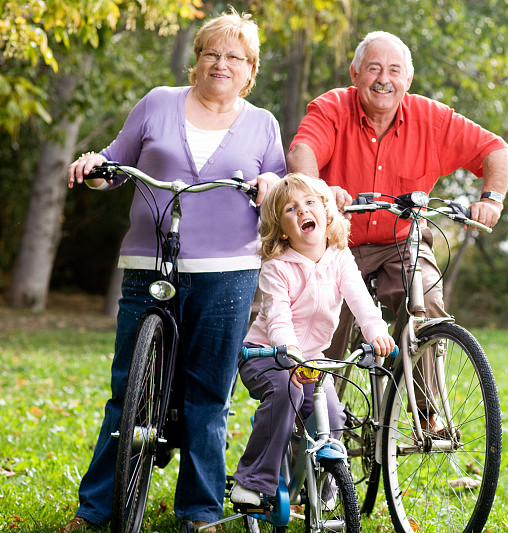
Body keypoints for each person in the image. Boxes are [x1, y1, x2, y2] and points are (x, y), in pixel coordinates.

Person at [60, 9, 285, 533]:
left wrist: (272, 186)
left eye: (234, 56)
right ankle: (95, 510)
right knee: (127, 391)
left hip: (227, 272)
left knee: (208, 397)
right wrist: (93, 167)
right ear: (197, 60)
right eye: (212, 52)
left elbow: (277, 182)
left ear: (250, 70)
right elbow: (112, 165)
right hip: (148, 262)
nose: (220, 63)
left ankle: (200, 513)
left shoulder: (263, 123)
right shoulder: (157, 104)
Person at [285, 31, 508, 432]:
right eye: (373, 68)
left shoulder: (433, 119)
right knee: (320, 340)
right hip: (337, 242)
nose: (383, 78)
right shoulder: (332, 108)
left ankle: (427, 413)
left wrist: (490, 200)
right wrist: (317, 190)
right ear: (355, 73)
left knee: (423, 303)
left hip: (401, 242)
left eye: (394, 70)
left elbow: (495, 149)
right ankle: (311, 438)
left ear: (408, 79)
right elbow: (301, 152)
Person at [228, 173, 394, 507]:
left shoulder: (340, 259)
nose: (302, 210)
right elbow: (278, 316)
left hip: (313, 360)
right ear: (282, 228)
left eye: (309, 203)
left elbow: (361, 301)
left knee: (331, 417)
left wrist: (375, 331)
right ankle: (253, 480)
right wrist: (287, 350)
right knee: (286, 391)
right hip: (268, 355)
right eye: (290, 209)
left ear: (326, 212)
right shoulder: (278, 267)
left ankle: (324, 485)